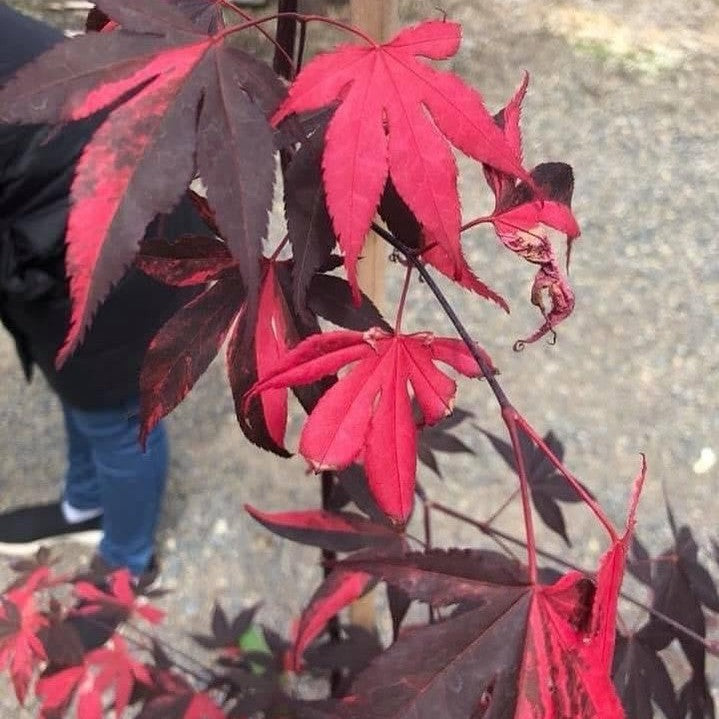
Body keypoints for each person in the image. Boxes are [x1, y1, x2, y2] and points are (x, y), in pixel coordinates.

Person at [0, 4, 205, 585]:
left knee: (117, 416)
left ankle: (128, 564)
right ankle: (86, 504)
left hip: (114, 236)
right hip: (46, 239)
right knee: (85, 396)